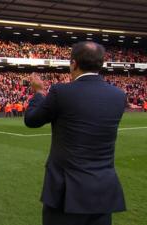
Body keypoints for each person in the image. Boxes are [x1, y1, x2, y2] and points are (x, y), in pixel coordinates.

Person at [24, 42, 126, 225]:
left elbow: (31, 120)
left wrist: (38, 93)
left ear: (73, 63)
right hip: (103, 190)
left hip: (67, 192)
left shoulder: (61, 92)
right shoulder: (118, 95)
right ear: (100, 64)